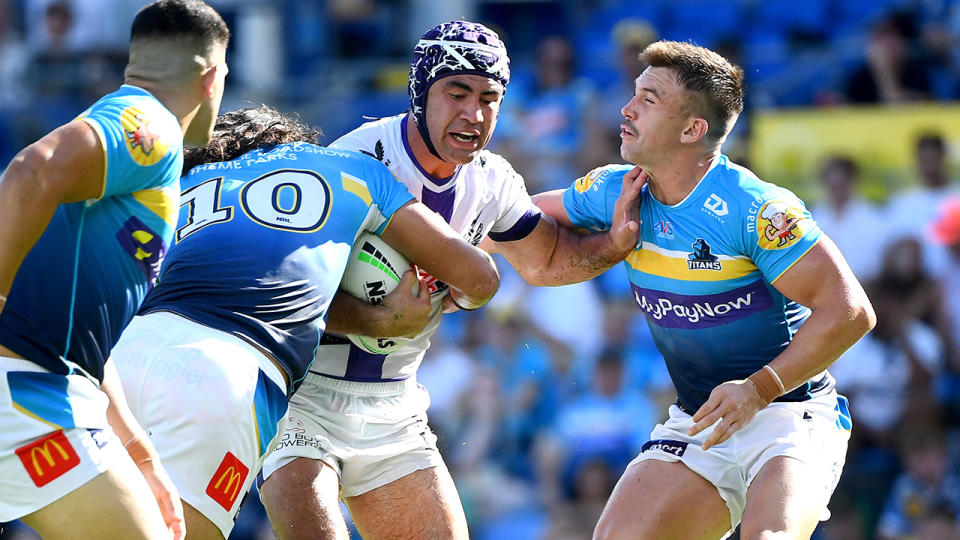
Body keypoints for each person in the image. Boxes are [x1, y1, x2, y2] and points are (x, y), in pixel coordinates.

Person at [258, 20, 642, 540]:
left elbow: (546, 261)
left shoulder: (494, 181)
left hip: (395, 405)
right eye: (456, 93)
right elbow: (274, 293)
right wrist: (377, 318)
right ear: (419, 92)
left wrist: (612, 246)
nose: (474, 113)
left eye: (489, 98)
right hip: (300, 398)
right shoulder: (352, 160)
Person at [535, 40, 875, 539]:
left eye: (648, 99)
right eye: (634, 94)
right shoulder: (616, 189)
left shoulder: (756, 208)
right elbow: (515, 221)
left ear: (693, 129)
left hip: (789, 414)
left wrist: (759, 389)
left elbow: (852, 313)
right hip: (697, 422)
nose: (626, 109)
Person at [110, 105, 500, 540]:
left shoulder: (176, 190)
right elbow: (479, 278)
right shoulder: (351, 167)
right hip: (228, 373)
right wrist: (408, 311)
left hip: (122, 361)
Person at [0, 1, 229, 538]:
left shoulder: (114, 148)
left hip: (47, 389)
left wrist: (140, 453)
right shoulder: (150, 123)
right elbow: (29, 170)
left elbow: (79, 318)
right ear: (212, 76)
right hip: (30, 395)